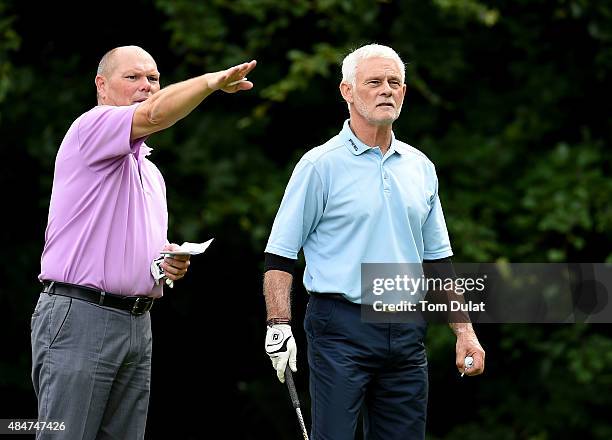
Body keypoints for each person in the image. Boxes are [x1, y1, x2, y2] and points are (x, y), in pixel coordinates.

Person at [31, 45, 256, 439]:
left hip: (137, 322)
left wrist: (169, 262)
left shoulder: (151, 173)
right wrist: (210, 83)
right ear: (102, 85)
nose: (146, 86)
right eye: (132, 77)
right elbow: (154, 115)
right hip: (80, 314)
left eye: (153, 78)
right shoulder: (91, 126)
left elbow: (139, 249)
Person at [263, 43, 485, 439]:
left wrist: (464, 330)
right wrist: (278, 324)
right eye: (374, 82)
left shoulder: (421, 167)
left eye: (394, 82)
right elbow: (280, 255)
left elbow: (438, 260)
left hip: (406, 326)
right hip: (339, 326)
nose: (387, 90)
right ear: (347, 91)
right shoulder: (319, 165)